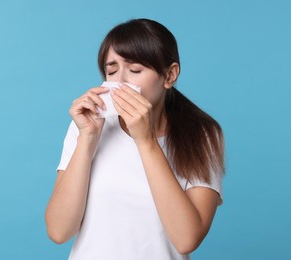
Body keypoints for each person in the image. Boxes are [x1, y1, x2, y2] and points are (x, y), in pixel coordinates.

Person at [45, 18, 225, 260]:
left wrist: (146, 141)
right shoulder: (86, 127)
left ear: (169, 75)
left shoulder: (202, 135)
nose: (119, 83)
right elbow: (59, 231)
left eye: (135, 70)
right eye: (111, 70)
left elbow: (186, 239)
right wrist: (87, 139)